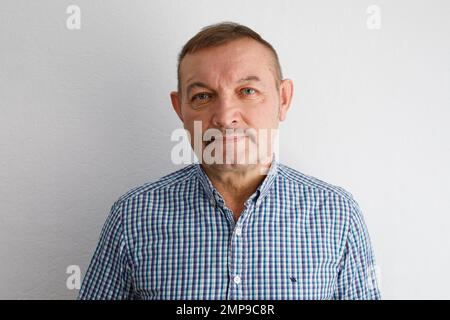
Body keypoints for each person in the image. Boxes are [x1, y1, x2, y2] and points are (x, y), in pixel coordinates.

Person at [78, 22, 381, 300]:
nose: (225, 117)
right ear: (180, 108)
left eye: (247, 91)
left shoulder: (338, 215)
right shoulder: (132, 216)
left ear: (283, 99)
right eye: (203, 96)